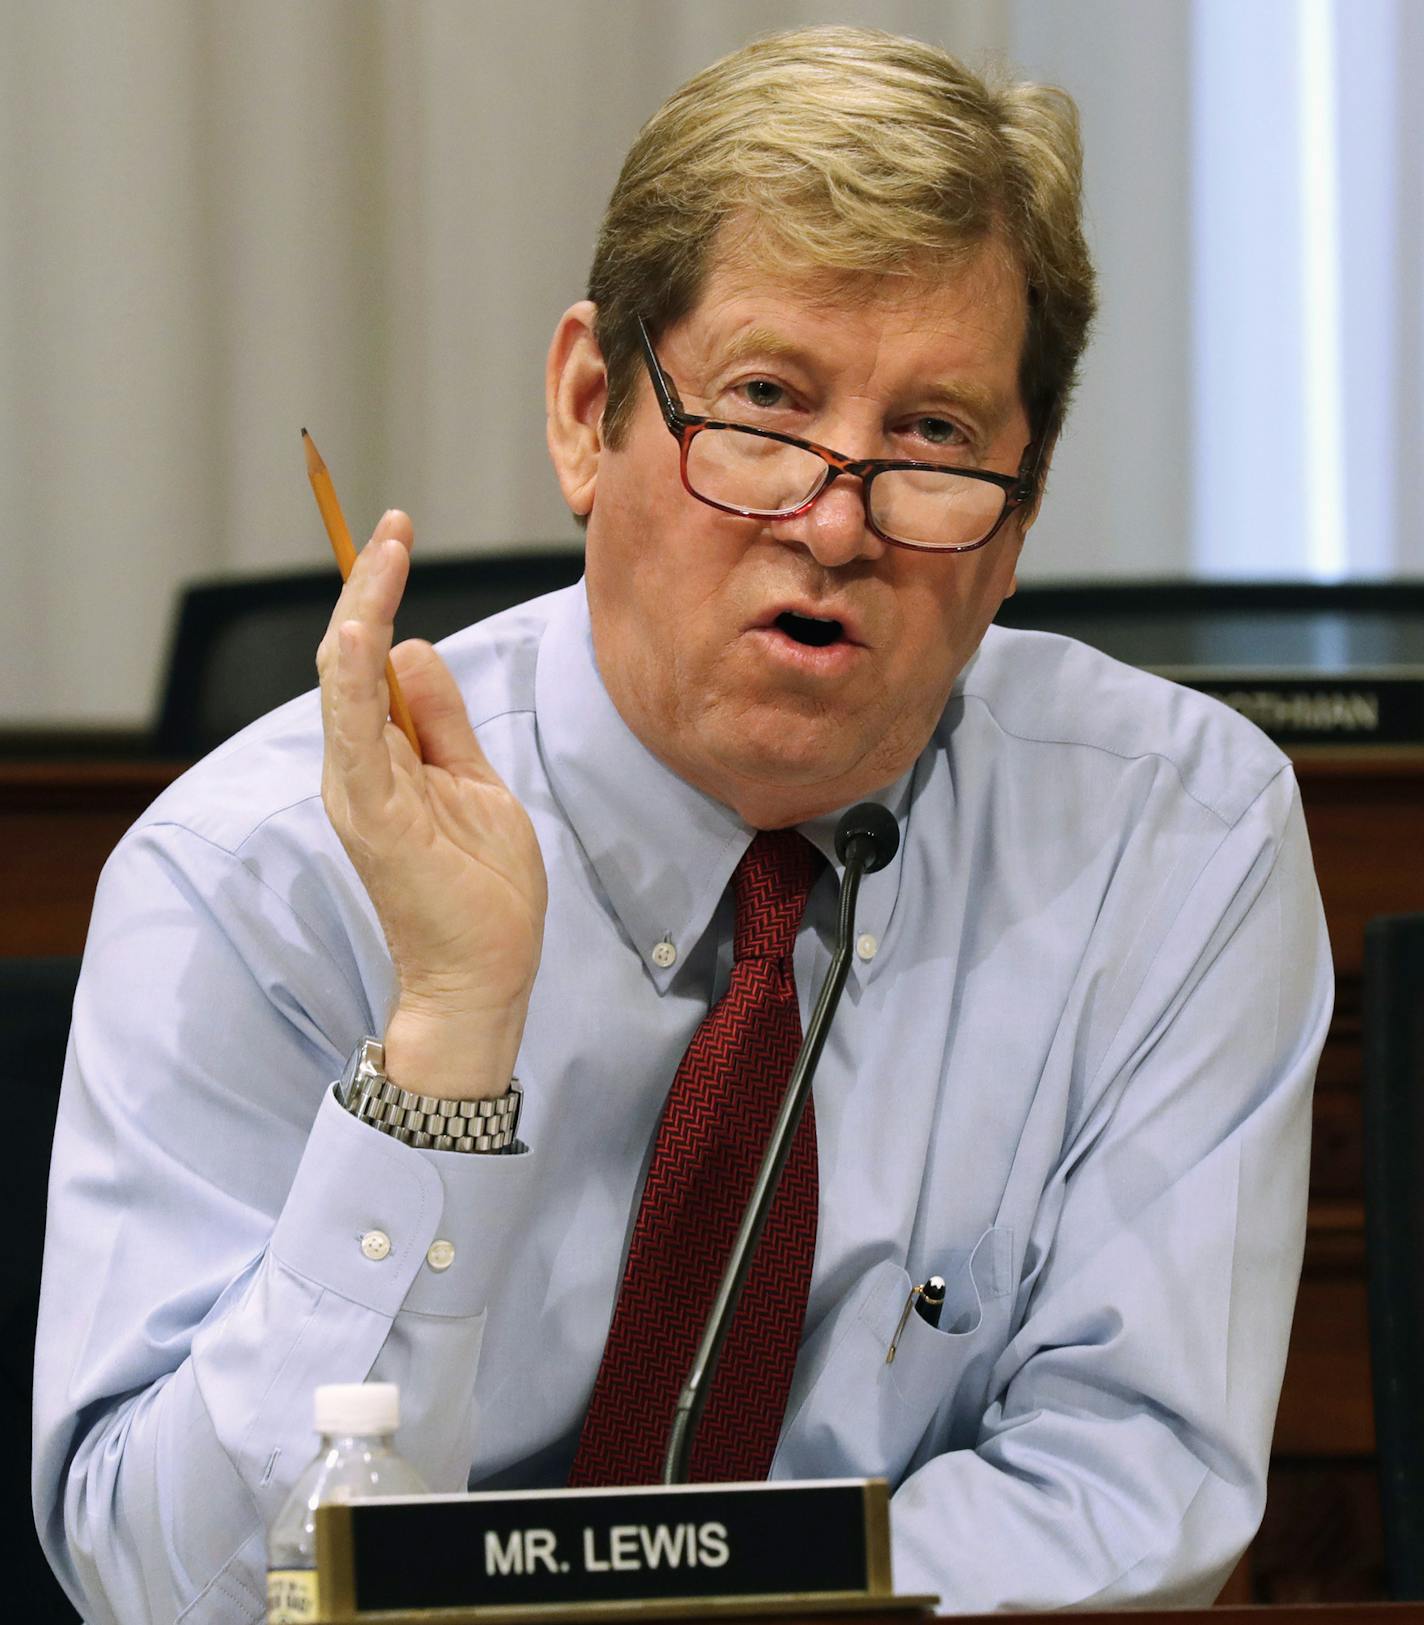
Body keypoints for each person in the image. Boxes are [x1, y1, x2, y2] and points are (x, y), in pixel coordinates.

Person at [34, 26, 1332, 1624]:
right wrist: (441, 1043)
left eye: (932, 438)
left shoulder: (1174, 840)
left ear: (1022, 516)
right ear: (592, 411)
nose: (837, 522)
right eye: (767, 406)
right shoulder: (252, 870)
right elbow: (165, 1582)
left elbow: (1133, 1481)